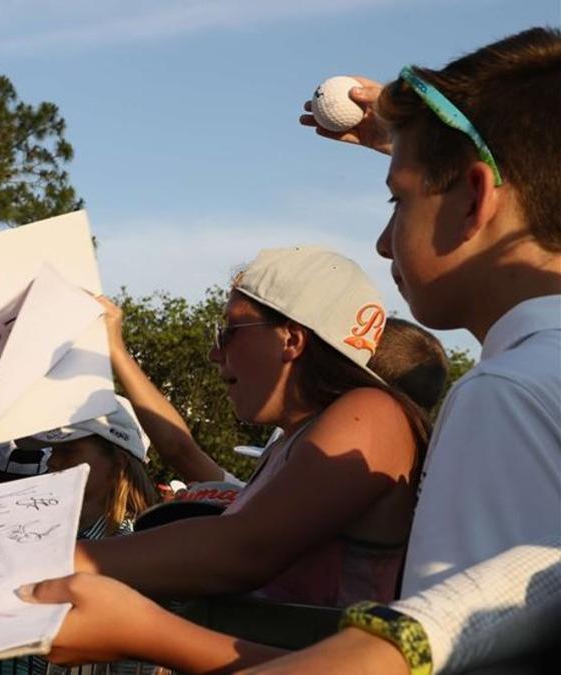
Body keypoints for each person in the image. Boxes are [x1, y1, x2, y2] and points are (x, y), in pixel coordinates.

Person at [29, 26, 561, 674]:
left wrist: (117, 614)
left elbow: (245, 552)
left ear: (292, 337)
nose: (385, 244)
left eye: (398, 199)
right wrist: (413, 140)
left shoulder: (499, 395)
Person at [76, 246, 429, 608]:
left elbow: (240, 551)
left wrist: (58, 563)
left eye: (230, 330)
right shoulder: (291, 442)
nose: (215, 353)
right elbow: (181, 450)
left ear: (290, 339)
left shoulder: (371, 413)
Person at [35, 397, 158, 539]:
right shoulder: (39, 524)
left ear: (118, 465)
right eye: (52, 450)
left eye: (68, 452)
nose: (52, 461)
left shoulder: (130, 547)